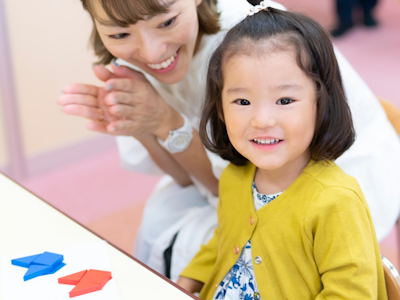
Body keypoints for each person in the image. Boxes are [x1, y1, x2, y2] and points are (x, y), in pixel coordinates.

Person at [58, 0, 400, 282]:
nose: (150, 52)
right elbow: (197, 183)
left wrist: (166, 122)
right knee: (166, 217)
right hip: (232, 179)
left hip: (316, 170)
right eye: (119, 33)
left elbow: (248, 185)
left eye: (167, 22)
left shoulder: (247, 51)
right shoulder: (131, 58)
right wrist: (140, 124)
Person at [178, 3, 387, 299]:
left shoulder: (336, 202)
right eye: (242, 102)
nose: (262, 120)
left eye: (285, 101)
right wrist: (186, 282)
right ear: (220, 111)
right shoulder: (234, 178)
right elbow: (224, 240)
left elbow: (350, 293)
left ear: (320, 103)